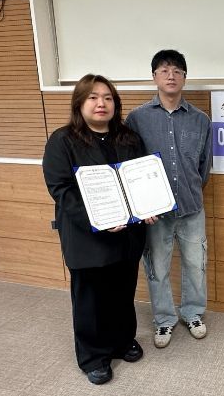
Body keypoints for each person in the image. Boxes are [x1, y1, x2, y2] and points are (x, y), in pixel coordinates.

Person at [43, 74, 149, 385]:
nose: (101, 103)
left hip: (127, 233)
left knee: (122, 291)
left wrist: (148, 207)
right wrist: (99, 219)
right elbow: (61, 189)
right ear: (79, 103)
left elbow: (141, 179)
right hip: (87, 236)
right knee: (90, 299)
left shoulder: (129, 138)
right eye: (93, 97)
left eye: (107, 97)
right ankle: (93, 356)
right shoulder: (62, 140)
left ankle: (122, 341)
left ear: (116, 104)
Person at [126, 49, 212, 349]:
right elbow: (130, 166)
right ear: (154, 77)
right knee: (157, 268)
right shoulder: (137, 119)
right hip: (155, 213)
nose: (171, 75)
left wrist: (190, 190)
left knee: (196, 265)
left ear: (185, 77)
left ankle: (193, 313)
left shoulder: (200, 120)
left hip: (191, 207)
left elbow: (204, 166)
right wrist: (142, 205)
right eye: (164, 70)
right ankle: (164, 319)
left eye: (177, 70)